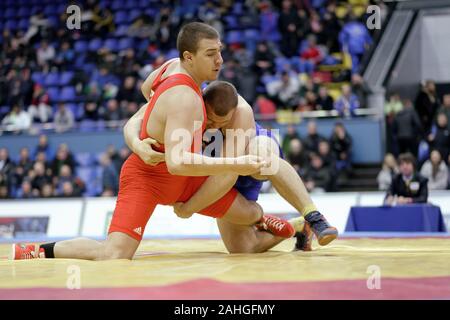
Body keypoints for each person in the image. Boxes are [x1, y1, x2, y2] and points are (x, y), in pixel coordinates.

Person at [11, 22, 278, 261]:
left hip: (182, 178)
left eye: (219, 51)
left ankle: (287, 225)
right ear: (189, 57)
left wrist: (145, 132)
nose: (219, 60)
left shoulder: (171, 67)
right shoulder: (186, 98)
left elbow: (144, 95)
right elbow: (177, 163)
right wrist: (236, 162)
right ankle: (38, 250)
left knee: (250, 213)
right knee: (114, 254)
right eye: (210, 54)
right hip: (150, 178)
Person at [126, 75, 338, 252]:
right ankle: (298, 227)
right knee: (243, 249)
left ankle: (313, 216)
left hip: (246, 154)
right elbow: (136, 118)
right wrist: (136, 144)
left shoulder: (242, 111)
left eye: (222, 123)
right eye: (210, 120)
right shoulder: (186, 100)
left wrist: (189, 208)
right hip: (220, 167)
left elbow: (227, 176)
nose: (214, 126)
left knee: (263, 161)